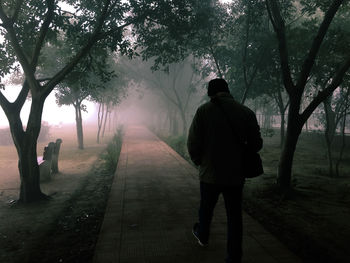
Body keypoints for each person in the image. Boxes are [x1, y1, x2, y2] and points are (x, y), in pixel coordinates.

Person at [187, 78, 263, 263]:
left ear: (210, 93)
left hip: (209, 174)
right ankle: (233, 257)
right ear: (228, 91)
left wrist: (199, 161)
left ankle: (203, 235)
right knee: (234, 217)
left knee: (206, 209)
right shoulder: (246, 112)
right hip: (235, 175)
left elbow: (193, 142)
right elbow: (257, 144)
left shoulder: (203, 111)